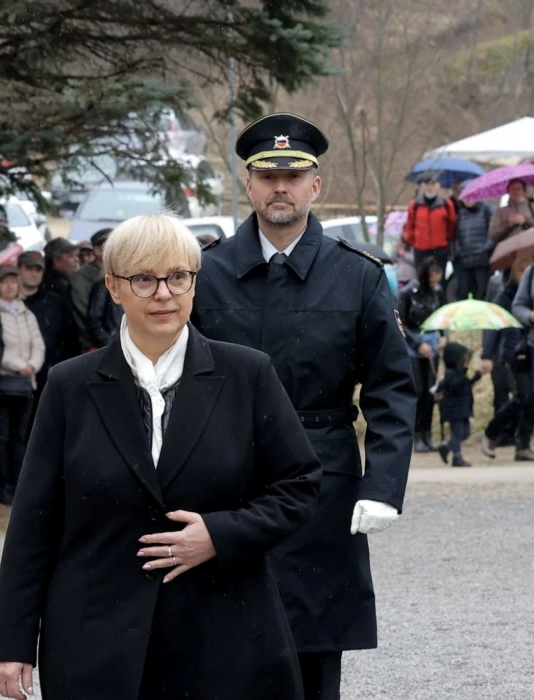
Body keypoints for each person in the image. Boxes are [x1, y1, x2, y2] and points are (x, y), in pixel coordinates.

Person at [0, 214, 321, 700]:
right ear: (113, 288)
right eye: (144, 279)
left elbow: (299, 487)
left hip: (222, 636)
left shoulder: (247, 374)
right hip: (95, 640)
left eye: (178, 276)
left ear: (194, 283)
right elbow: (35, 520)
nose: (164, 293)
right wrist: (11, 641)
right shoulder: (69, 385)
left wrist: (221, 534)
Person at [192, 113, 416, 700]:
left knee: (313, 654)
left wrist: (383, 485)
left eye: (293, 177)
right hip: (226, 477)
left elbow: (392, 386)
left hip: (322, 482)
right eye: (268, 177)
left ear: (315, 186)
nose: (280, 188)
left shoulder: (356, 276)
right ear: (249, 184)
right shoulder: (205, 273)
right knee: (222, 650)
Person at [0, 266, 44, 505]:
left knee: (20, 437)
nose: (10, 286)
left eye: (13, 281)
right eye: (5, 282)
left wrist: (32, 365)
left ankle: (18, 484)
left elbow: (39, 345)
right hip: (4, 382)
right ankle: (3, 485)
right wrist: (19, 365)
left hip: (26, 384)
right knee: (2, 437)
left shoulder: (26, 313)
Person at [482, 255, 534, 461]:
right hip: (516, 351)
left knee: (529, 399)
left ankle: (522, 444)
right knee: (524, 397)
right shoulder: (505, 295)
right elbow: (492, 327)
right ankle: (493, 432)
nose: (522, 275)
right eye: (520, 271)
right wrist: (487, 355)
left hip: (523, 347)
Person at [397, 257, 448, 453]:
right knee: (418, 392)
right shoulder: (408, 293)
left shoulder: (438, 292)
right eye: (433, 277)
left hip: (432, 342)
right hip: (414, 344)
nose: (436, 282)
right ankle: (417, 434)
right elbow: (400, 322)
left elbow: (443, 315)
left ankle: (427, 434)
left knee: (430, 392)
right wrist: (417, 344)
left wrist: (444, 336)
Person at [18, 251, 79, 413]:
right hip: (14, 373)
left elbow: (69, 338)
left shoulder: (55, 302)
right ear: (19, 269)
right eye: (29, 268)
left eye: (38, 269)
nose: (34, 273)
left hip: (46, 373)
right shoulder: (7, 301)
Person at [435, 342, 486, 467]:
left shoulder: (460, 373)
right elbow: (457, 385)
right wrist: (473, 377)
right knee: (457, 433)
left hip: (463, 409)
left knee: (466, 433)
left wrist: (476, 376)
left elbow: (465, 384)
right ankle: (456, 457)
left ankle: (446, 446)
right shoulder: (451, 374)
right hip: (454, 410)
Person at [70, 228, 113, 351]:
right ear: (97, 250)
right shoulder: (81, 277)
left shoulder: (120, 271)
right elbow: (86, 315)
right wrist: (104, 340)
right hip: (96, 346)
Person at [403, 176, 456, 273]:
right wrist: (412, 241)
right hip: (421, 249)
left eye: (433, 184)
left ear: (438, 186)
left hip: (440, 249)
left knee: (440, 278)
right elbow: (410, 225)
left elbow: (451, 225)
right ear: (423, 187)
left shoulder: (446, 204)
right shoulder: (415, 205)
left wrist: (446, 242)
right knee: (422, 277)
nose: (430, 187)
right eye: (427, 184)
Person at [452, 192, 494, 301]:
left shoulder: (486, 210)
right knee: (464, 292)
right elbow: (457, 236)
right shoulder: (461, 214)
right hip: (465, 260)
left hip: (482, 260)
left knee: (482, 292)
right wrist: (459, 250)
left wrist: (485, 248)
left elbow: (493, 234)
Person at [489, 178, 534, 246]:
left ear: (523, 191)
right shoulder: (500, 211)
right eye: (513, 189)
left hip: (529, 247)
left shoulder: (532, 207)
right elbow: (493, 236)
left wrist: (524, 222)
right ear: (508, 191)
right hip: (508, 249)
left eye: (519, 189)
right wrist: (509, 225)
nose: (515, 191)